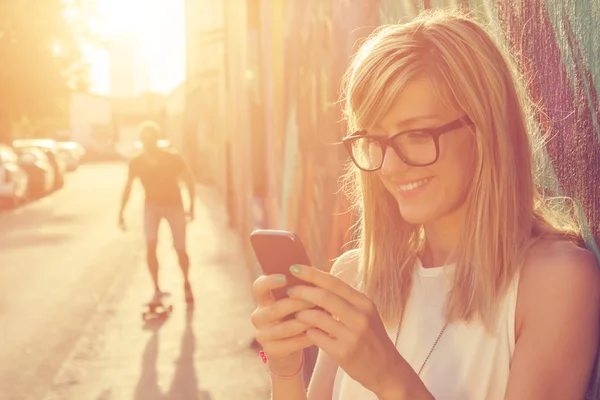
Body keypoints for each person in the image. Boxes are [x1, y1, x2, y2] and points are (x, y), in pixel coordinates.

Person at [250, 9, 600, 400]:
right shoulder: (355, 275)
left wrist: (390, 379)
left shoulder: (555, 282)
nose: (391, 164)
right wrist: (286, 370)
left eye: (415, 134)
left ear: (485, 130)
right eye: (375, 139)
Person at [118, 121, 196, 305]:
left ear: (157, 140)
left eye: (151, 139)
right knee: (151, 245)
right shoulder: (136, 162)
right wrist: (121, 212)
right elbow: (128, 187)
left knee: (180, 248)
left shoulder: (172, 158)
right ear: (141, 141)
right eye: (144, 139)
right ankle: (156, 289)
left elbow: (189, 180)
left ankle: (186, 283)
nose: (148, 143)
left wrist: (191, 207)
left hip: (174, 206)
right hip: (151, 206)